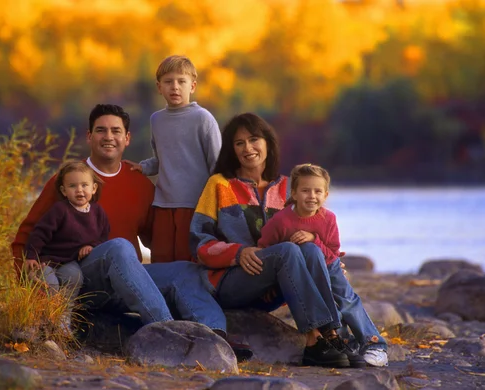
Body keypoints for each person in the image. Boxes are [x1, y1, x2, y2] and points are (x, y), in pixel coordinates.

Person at [12, 104, 228, 346]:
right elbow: (26, 237)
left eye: (116, 131)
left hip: (127, 283)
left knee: (185, 271)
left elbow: (158, 238)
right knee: (120, 248)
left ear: (127, 139)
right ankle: (168, 333)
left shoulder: (140, 184)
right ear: (89, 136)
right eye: (101, 130)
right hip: (81, 280)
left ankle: (216, 338)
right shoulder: (70, 182)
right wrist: (33, 296)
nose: (108, 137)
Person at [190, 112, 361, 368]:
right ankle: (315, 339)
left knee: (312, 254)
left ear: (268, 143)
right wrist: (237, 252)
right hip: (230, 282)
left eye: (254, 139)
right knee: (288, 251)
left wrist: (331, 261)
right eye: (239, 143)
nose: (248, 148)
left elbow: (313, 234)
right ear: (232, 150)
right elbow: (199, 244)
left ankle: (336, 337)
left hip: (273, 287)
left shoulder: (286, 189)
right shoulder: (219, 185)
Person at [257, 163, 388, 367]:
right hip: (301, 274)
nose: (312, 196)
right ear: (294, 193)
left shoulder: (328, 219)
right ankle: (344, 342)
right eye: (305, 190)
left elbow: (333, 252)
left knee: (348, 301)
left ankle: (374, 345)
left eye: (318, 191)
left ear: (325, 195)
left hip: (329, 265)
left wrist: (313, 239)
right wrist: (268, 286)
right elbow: (265, 249)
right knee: (321, 299)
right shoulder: (281, 221)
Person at [128, 55, 222, 263]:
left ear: (193, 86)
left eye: (181, 81)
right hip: (163, 203)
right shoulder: (157, 120)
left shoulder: (203, 118)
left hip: (195, 204)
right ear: (159, 87)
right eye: (168, 82)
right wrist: (143, 168)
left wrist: (217, 203)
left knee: (188, 260)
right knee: (161, 260)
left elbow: (217, 164)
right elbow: (161, 159)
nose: (175, 87)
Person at [23, 160, 109, 332]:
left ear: (93, 188)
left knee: (75, 279)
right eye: (72, 186)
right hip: (46, 259)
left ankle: (63, 321)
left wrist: (92, 246)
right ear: (64, 190)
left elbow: (103, 236)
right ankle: (43, 322)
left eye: (84, 185)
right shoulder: (60, 210)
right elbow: (40, 233)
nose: (79, 190)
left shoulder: (98, 212)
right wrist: (31, 256)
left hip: (68, 261)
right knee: (51, 286)